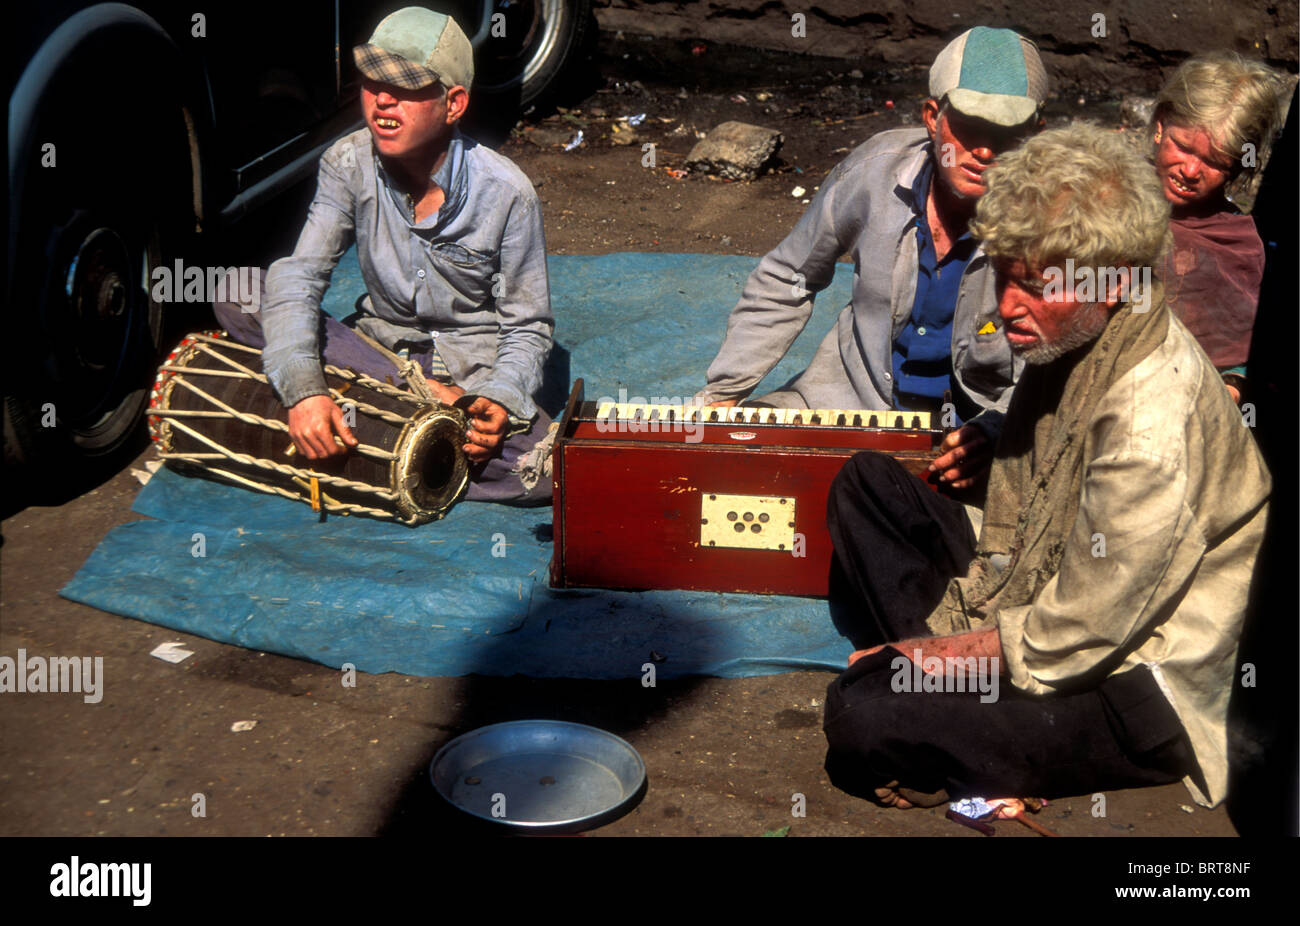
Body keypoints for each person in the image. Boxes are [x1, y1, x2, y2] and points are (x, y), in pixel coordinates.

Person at [821, 124, 1271, 811]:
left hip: (1130, 679)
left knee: (864, 713)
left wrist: (925, 660)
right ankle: (951, 711)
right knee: (868, 486)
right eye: (1003, 278)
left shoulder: (1153, 425)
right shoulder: (1090, 321)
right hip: (1044, 577)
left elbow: (1079, 633)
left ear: (1114, 280)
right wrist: (998, 434)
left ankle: (943, 714)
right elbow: (1061, 450)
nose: (1006, 311)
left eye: (1033, 288)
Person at [214, 7, 554, 504]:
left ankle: (374, 425)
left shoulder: (508, 193)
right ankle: (406, 423)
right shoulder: (346, 161)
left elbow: (528, 327)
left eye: (409, 86)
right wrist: (306, 391)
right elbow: (300, 277)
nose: (384, 99)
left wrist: (499, 399)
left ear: (453, 103)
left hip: (465, 380)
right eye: (373, 82)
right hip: (374, 352)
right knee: (240, 290)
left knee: (541, 468)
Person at [696, 27, 1049, 491]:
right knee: (731, 469)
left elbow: (1068, 354)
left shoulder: (1060, 219)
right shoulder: (873, 175)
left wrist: (1001, 426)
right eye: (968, 127)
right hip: (848, 403)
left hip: (971, 436)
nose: (984, 151)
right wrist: (725, 392)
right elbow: (788, 277)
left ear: (1037, 135)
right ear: (931, 117)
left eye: (1006, 133)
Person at [1150, 51, 1287, 405]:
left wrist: (1227, 391)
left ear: (1239, 168)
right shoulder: (1106, 197)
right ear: (1160, 125)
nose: (1191, 171)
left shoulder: (1237, 247)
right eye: (1182, 147)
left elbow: (1235, 364)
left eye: (1214, 162)